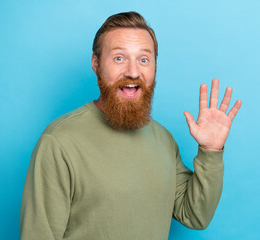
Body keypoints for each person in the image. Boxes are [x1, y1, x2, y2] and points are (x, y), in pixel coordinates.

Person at [20, 11, 242, 240]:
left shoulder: (163, 139)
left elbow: (195, 215)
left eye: (144, 60)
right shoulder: (59, 141)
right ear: (96, 63)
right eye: (119, 58)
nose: (133, 72)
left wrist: (211, 152)